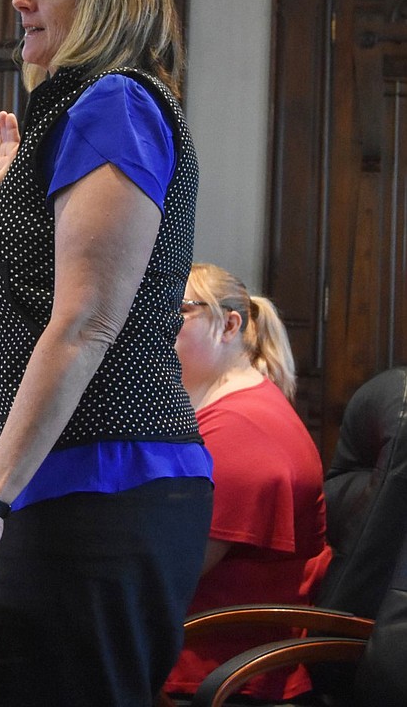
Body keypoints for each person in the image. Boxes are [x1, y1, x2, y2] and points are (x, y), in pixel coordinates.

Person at [0, 0, 214, 707]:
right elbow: (41, 301)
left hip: (112, 484)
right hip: (67, 483)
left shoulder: (114, 103)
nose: (19, 1)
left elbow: (86, 324)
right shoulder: (71, 112)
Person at [164, 263, 333, 703]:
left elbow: (171, 572)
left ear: (229, 325)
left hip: (216, 667)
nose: (154, 326)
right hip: (202, 647)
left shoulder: (242, 431)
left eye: (174, 310)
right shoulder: (235, 409)